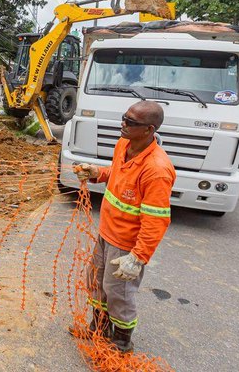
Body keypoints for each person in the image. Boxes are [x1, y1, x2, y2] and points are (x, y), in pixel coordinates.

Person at [72, 101, 174, 353]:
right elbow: (117, 174)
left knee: (119, 293)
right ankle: (98, 328)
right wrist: (97, 172)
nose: (123, 124)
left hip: (127, 246)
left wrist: (137, 258)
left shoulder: (157, 171)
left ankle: (121, 342)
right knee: (96, 282)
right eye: (124, 118)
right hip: (107, 233)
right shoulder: (124, 145)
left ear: (149, 129)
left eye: (130, 122)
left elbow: (156, 220)